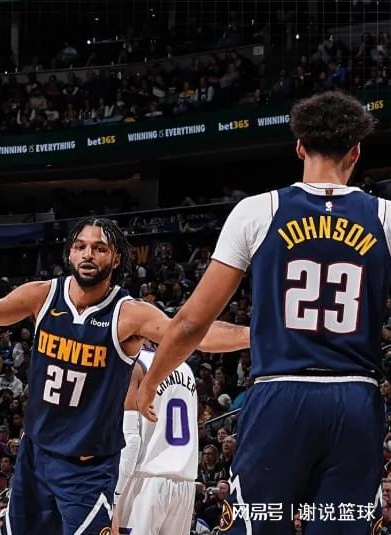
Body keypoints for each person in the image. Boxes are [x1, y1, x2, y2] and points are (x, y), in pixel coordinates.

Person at [137, 90, 385, 535]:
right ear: (356, 152)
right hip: (356, 398)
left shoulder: (258, 211)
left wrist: (153, 380)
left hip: (279, 396)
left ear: (299, 147)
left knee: (257, 525)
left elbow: (191, 321)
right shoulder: (385, 217)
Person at [0, 217, 249, 534]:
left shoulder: (128, 314)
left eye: (99, 248)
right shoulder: (42, 295)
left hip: (87, 467)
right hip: (35, 456)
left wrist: (255, 335)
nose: (88, 254)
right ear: (70, 253)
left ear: (115, 257)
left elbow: (194, 332)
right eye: (80, 246)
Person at [112, 343, 199, 535]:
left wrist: (115, 494)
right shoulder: (185, 367)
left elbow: (131, 441)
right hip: (185, 483)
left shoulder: (134, 365)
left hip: (144, 479)